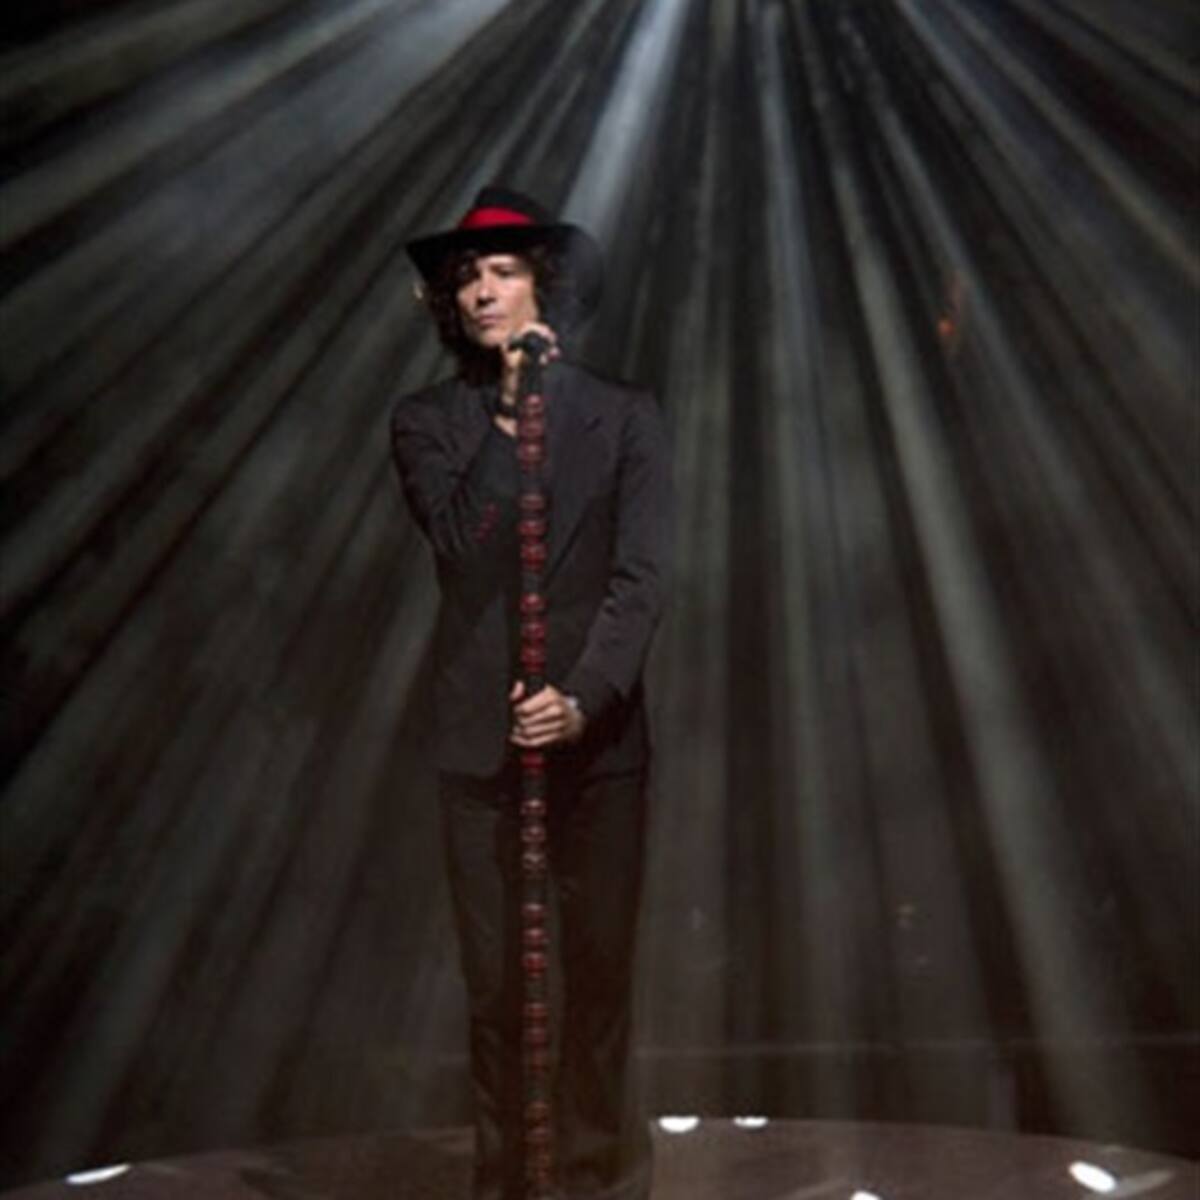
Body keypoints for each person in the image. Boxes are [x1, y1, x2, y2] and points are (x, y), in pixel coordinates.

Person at [391, 186, 672, 1200]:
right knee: (498, 991)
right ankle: (507, 1185)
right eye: (467, 276)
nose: (481, 291)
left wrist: (583, 696)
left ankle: (598, 1183)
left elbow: (642, 579)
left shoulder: (627, 415)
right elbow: (461, 546)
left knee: (597, 980)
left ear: (543, 287)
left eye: (503, 271)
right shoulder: (428, 423)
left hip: (600, 748)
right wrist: (511, 418)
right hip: (481, 748)